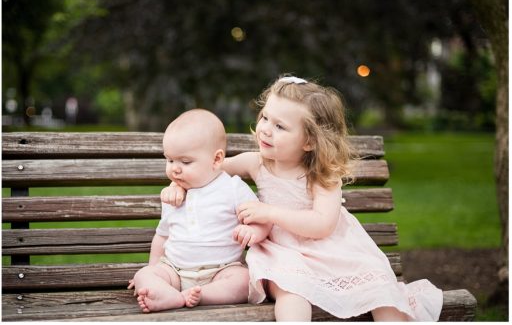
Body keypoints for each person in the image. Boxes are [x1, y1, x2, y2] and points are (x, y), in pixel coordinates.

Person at [162, 76, 442, 321]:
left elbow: (322, 225)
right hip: (282, 253)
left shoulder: (322, 175)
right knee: (291, 289)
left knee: (380, 288)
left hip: (333, 250)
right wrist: (178, 185)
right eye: (264, 118)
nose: (265, 129)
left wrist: (269, 213)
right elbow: (205, 170)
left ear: (309, 141)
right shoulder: (255, 162)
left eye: (280, 126)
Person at [128, 109, 271, 313]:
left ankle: (202, 295)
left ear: (216, 160)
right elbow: (162, 236)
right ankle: (172, 295)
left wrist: (254, 232)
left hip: (221, 270)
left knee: (243, 280)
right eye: (169, 160)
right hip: (174, 271)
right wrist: (153, 270)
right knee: (144, 275)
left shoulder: (233, 188)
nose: (175, 169)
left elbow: (262, 218)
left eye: (185, 162)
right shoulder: (173, 195)